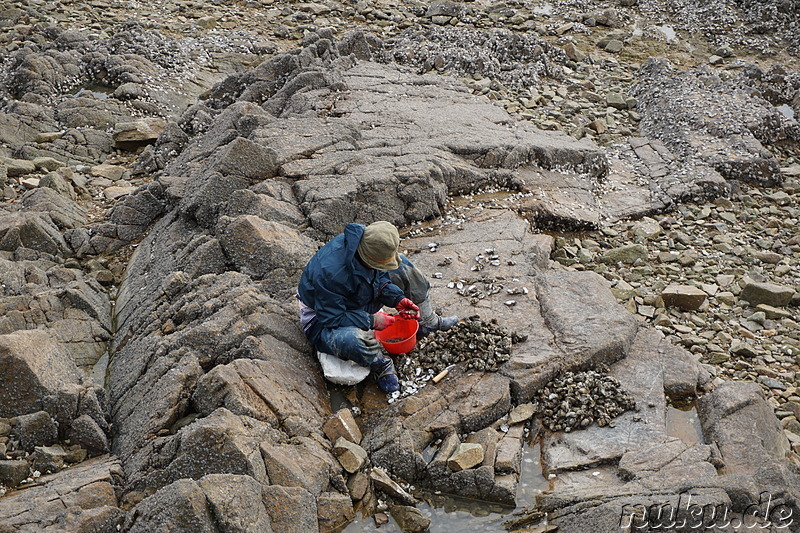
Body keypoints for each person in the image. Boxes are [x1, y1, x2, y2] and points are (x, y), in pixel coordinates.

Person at [297, 221, 458, 393]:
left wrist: (396, 299)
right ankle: (381, 364)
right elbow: (331, 317)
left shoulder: (369, 245)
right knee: (352, 340)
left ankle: (428, 321)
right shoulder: (330, 272)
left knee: (402, 266)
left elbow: (379, 278)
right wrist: (372, 320)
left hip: (356, 297)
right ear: (367, 257)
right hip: (321, 319)